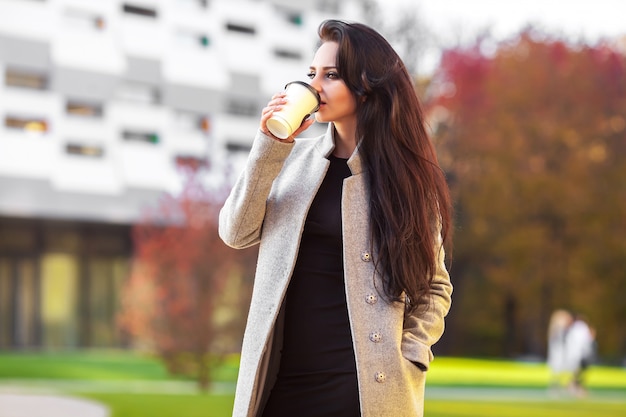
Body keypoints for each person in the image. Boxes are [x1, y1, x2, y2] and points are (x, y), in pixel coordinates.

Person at [219, 19, 453, 417]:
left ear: (367, 87)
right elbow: (235, 233)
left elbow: (434, 286)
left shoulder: (404, 181)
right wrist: (269, 146)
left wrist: (411, 355)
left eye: (331, 75)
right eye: (312, 74)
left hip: (362, 389)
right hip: (280, 383)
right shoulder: (289, 161)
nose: (315, 87)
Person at [546, 309, 574, 392]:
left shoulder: (564, 331)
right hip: (558, 354)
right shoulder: (558, 330)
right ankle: (558, 387)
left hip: (561, 353)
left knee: (563, 371)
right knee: (557, 370)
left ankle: (565, 386)